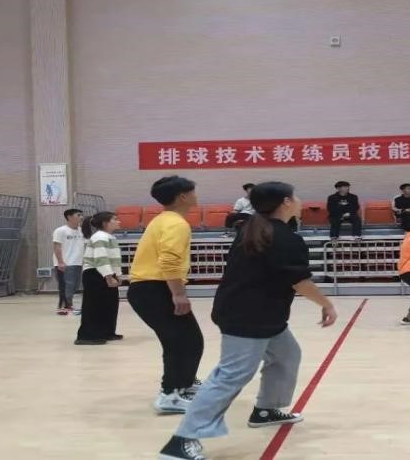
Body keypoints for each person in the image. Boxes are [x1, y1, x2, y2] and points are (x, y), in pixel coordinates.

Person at [157, 182, 338, 460]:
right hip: (249, 317)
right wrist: (327, 304)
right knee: (231, 375)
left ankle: (266, 410)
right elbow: (300, 282)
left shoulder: (254, 228)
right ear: (286, 202)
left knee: (287, 355)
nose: (300, 200)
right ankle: (182, 440)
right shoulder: (282, 237)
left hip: (261, 314)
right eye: (296, 196)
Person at [128, 176, 204, 414]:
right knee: (181, 341)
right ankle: (169, 394)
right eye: (193, 192)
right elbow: (168, 260)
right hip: (154, 288)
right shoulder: (176, 224)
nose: (196, 196)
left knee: (188, 340)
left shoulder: (163, 219)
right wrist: (178, 294)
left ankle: (184, 383)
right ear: (183, 196)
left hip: (149, 288)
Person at [75, 212, 123, 345]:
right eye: (115, 219)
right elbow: (101, 258)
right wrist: (108, 277)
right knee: (94, 306)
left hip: (106, 272)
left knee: (109, 304)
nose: (118, 221)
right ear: (105, 223)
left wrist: (117, 275)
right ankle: (87, 336)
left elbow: (113, 259)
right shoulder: (99, 237)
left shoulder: (110, 237)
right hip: (95, 273)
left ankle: (107, 332)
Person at [53, 209, 86, 315]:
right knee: (66, 286)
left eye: (81, 215)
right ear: (69, 217)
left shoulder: (82, 231)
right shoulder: (60, 230)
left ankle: (69, 305)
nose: (81, 217)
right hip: (66, 263)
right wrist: (60, 262)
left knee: (74, 286)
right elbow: (57, 246)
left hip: (78, 262)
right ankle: (62, 307)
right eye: (78, 215)